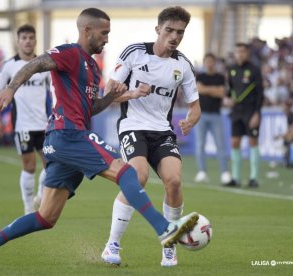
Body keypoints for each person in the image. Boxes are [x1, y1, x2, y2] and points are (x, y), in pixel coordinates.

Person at [0, 8, 199, 270]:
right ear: (87, 31)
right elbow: (35, 63)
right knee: (129, 174)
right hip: (69, 134)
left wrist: (116, 96)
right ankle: (165, 229)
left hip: (63, 142)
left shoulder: (90, 67)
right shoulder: (69, 53)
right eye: (104, 33)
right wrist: (10, 88)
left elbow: (90, 108)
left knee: (45, 218)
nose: (107, 39)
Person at [100, 6, 201, 267]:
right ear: (158, 29)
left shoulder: (183, 65)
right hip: (132, 125)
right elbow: (108, 94)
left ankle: (169, 243)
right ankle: (112, 243)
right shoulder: (134, 53)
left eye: (180, 32)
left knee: (175, 182)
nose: (174, 36)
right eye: (169, 30)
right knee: (138, 177)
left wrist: (191, 119)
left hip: (162, 130)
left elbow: (195, 105)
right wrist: (132, 94)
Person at [0, 24, 51, 214]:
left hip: (43, 124)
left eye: (31, 38)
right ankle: (27, 208)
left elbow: (54, 89)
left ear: (35, 41)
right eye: (24, 38)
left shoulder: (44, 64)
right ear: (18, 42)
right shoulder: (9, 66)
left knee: (52, 163)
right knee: (29, 166)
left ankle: (40, 196)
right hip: (22, 125)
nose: (27, 41)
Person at [224, 43, 264, 188]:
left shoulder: (254, 69)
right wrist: (228, 98)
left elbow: (260, 93)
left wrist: (257, 113)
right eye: (237, 51)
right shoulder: (231, 69)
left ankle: (253, 178)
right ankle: (235, 177)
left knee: (253, 142)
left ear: (247, 53)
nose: (239, 54)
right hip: (236, 111)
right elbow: (229, 90)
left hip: (251, 110)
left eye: (242, 51)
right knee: (235, 142)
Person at [194, 53, 231, 185]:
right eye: (207, 61)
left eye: (211, 61)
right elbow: (198, 89)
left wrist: (206, 89)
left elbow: (221, 92)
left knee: (220, 145)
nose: (209, 64)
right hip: (201, 114)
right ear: (204, 63)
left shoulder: (220, 77)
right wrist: (213, 90)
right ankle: (202, 171)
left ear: (214, 63)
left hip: (216, 114)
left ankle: (224, 172)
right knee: (200, 144)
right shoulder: (200, 75)